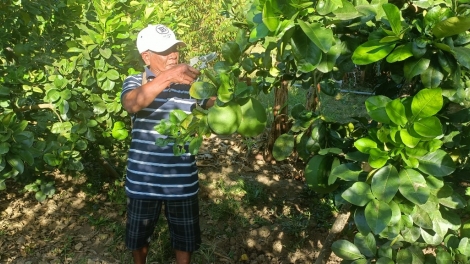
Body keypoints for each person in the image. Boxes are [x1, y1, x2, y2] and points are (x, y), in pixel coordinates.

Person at [121, 24, 211, 264]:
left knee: (185, 237)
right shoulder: (135, 81)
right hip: (143, 181)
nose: (173, 55)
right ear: (146, 56)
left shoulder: (190, 86)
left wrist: (226, 90)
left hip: (181, 180)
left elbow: (213, 101)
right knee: (138, 237)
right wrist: (169, 76)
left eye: (175, 48)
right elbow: (132, 104)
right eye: (165, 50)